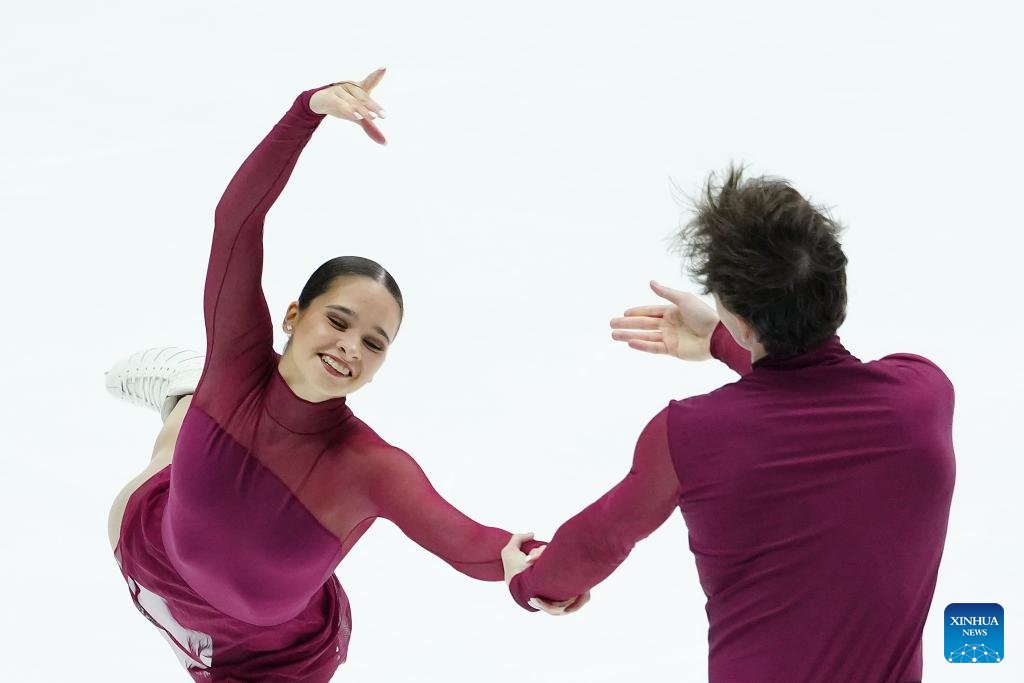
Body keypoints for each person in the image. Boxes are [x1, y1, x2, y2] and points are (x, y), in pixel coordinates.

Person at [105, 70, 577, 682]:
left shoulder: (373, 468)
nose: (350, 347)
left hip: (268, 656)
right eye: (338, 320)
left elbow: (477, 547)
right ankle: (184, 393)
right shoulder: (239, 362)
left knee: (205, 440)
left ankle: (188, 398)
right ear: (294, 316)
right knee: (187, 441)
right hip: (153, 556)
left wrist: (547, 570)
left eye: (374, 343)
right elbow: (236, 221)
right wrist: (307, 111)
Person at [501, 168, 956, 682]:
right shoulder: (923, 397)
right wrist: (720, 340)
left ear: (739, 319)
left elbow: (600, 541)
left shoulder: (688, 436)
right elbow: (820, 391)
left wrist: (530, 583)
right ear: (840, 293)